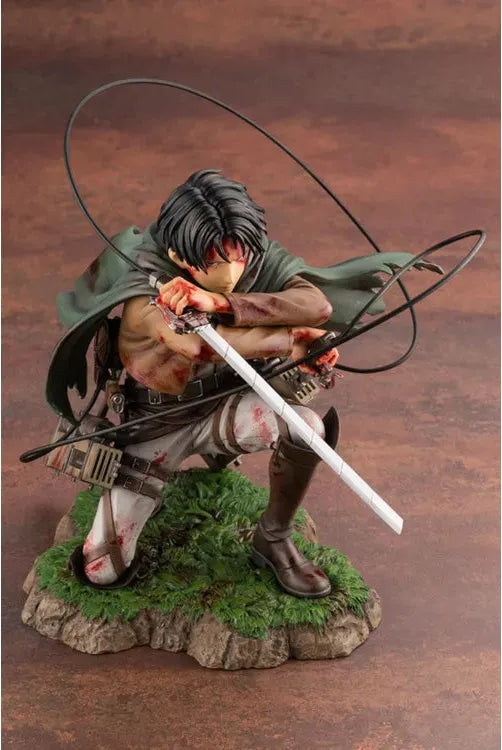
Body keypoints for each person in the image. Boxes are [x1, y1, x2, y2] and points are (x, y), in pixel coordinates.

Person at [48, 169, 440, 597]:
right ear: (180, 254)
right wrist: (292, 340)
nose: (235, 269)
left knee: (306, 429)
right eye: (218, 261)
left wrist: (220, 301)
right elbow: (199, 346)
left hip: (226, 406)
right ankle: (140, 503)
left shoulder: (247, 249)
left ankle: (274, 537)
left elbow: (315, 304)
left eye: (240, 256)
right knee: (102, 568)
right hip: (156, 422)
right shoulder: (145, 283)